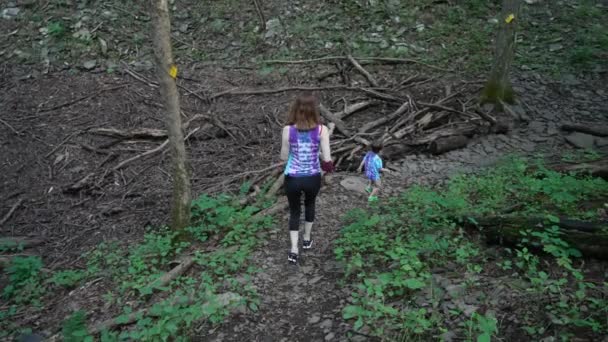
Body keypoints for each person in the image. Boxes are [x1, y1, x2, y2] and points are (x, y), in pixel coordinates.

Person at [280, 94, 334, 265]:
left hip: (293, 178)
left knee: (295, 211)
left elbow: (283, 157)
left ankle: (294, 250)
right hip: (312, 177)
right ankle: (307, 239)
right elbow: (327, 160)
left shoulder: (288, 130)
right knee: (310, 204)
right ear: (314, 110)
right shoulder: (322, 130)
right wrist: (319, 158)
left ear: (295, 109)